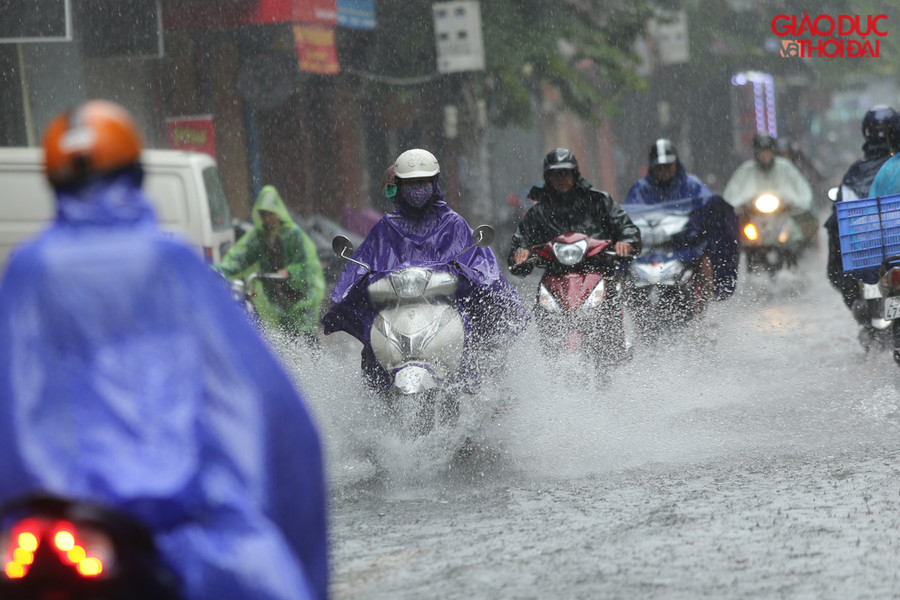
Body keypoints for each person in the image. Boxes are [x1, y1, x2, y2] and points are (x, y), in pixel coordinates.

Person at [0, 100, 328, 600]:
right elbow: (268, 409)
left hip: (44, 529)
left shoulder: (27, 271)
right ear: (135, 173)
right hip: (170, 534)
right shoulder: (171, 263)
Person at [323, 148, 528, 391]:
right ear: (400, 185)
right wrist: (356, 283)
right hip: (396, 309)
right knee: (371, 346)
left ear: (434, 182)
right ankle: (376, 395)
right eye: (411, 183)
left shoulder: (453, 224)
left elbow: (481, 267)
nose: (417, 189)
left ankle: (469, 390)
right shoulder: (386, 227)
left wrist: (468, 276)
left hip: (445, 308)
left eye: (423, 182)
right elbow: (364, 264)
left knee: (471, 336)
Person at [624, 138, 740, 309]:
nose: (663, 170)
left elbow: (708, 205)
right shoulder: (640, 189)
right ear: (651, 166)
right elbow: (629, 217)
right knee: (621, 270)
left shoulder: (692, 185)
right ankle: (629, 319)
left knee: (704, 263)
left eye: (667, 165)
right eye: (659, 166)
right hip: (648, 250)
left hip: (683, 247)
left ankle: (700, 318)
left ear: (676, 163)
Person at [214, 185, 325, 345]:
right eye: (263, 215)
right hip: (280, 295)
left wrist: (290, 272)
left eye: (270, 214)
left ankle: (315, 360)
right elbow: (238, 258)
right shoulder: (259, 237)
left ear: (278, 212)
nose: (267, 219)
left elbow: (308, 266)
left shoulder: (294, 235)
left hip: (302, 294)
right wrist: (217, 271)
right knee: (289, 339)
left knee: (308, 337)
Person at [508, 148, 640, 270]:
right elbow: (521, 238)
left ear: (574, 174)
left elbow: (626, 226)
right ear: (548, 178)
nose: (561, 178)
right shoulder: (539, 212)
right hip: (556, 276)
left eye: (565, 173)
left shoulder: (598, 201)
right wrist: (521, 251)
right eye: (555, 174)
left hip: (600, 270)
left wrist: (626, 241)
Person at [825, 105, 896, 308]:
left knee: (835, 226)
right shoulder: (892, 165)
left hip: (867, 257)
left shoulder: (856, 171)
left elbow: (843, 212)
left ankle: (854, 296)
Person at [723, 132, 817, 244]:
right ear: (756, 153)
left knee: (805, 226)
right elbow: (732, 194)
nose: (765, 155)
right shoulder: (745, 171)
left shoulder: (785, 168)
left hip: (783, 214)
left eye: (767, 151)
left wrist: (792, 201)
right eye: (761, 152)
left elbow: (802, 190)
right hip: (753, 216)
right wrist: (743, 204)